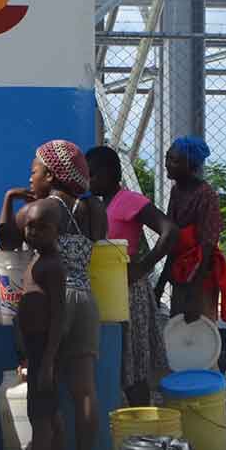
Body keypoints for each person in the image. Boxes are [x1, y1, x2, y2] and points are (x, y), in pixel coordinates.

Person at [0, 140, 105, 450]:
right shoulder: (91, 209)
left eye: (34, 171)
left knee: (46, 391)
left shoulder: (44, 209)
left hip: (52, 298)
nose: (30, 177)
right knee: (85, 391)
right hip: (85, 297)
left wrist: (11, 199)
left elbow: (7, 240)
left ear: (51, 174)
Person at [85, 146, 179, 407]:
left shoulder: (128, 200)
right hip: (106, 289)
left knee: (132, 363)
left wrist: (143, 266)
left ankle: (141, 419)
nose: (88, 181)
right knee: (114, 357)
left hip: (127, 290)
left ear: (108, 173)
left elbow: (170, 231)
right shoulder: (98, 205)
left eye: (92, 174)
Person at [7, 196, 69, 450]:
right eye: (30, 226)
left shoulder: (51, 266)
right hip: (36, 349)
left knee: (41, 419)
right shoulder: (37, 259)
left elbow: (59, 316)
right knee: (49, 415)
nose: (33, 232)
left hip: (46, 349)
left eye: (42, 227)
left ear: (57, 231)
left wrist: (47, 362)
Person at [156, 136, 226, 327]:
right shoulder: (177, 191)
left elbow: (207, 246)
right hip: (181, 269)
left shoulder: (206, 195)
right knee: (178, 326)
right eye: (168, 158)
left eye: (175, 160)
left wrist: (195, 293)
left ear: (191, 165)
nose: (167, 164)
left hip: (200, 275)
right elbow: (173, 240)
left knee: (198, 327)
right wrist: (161, 284)